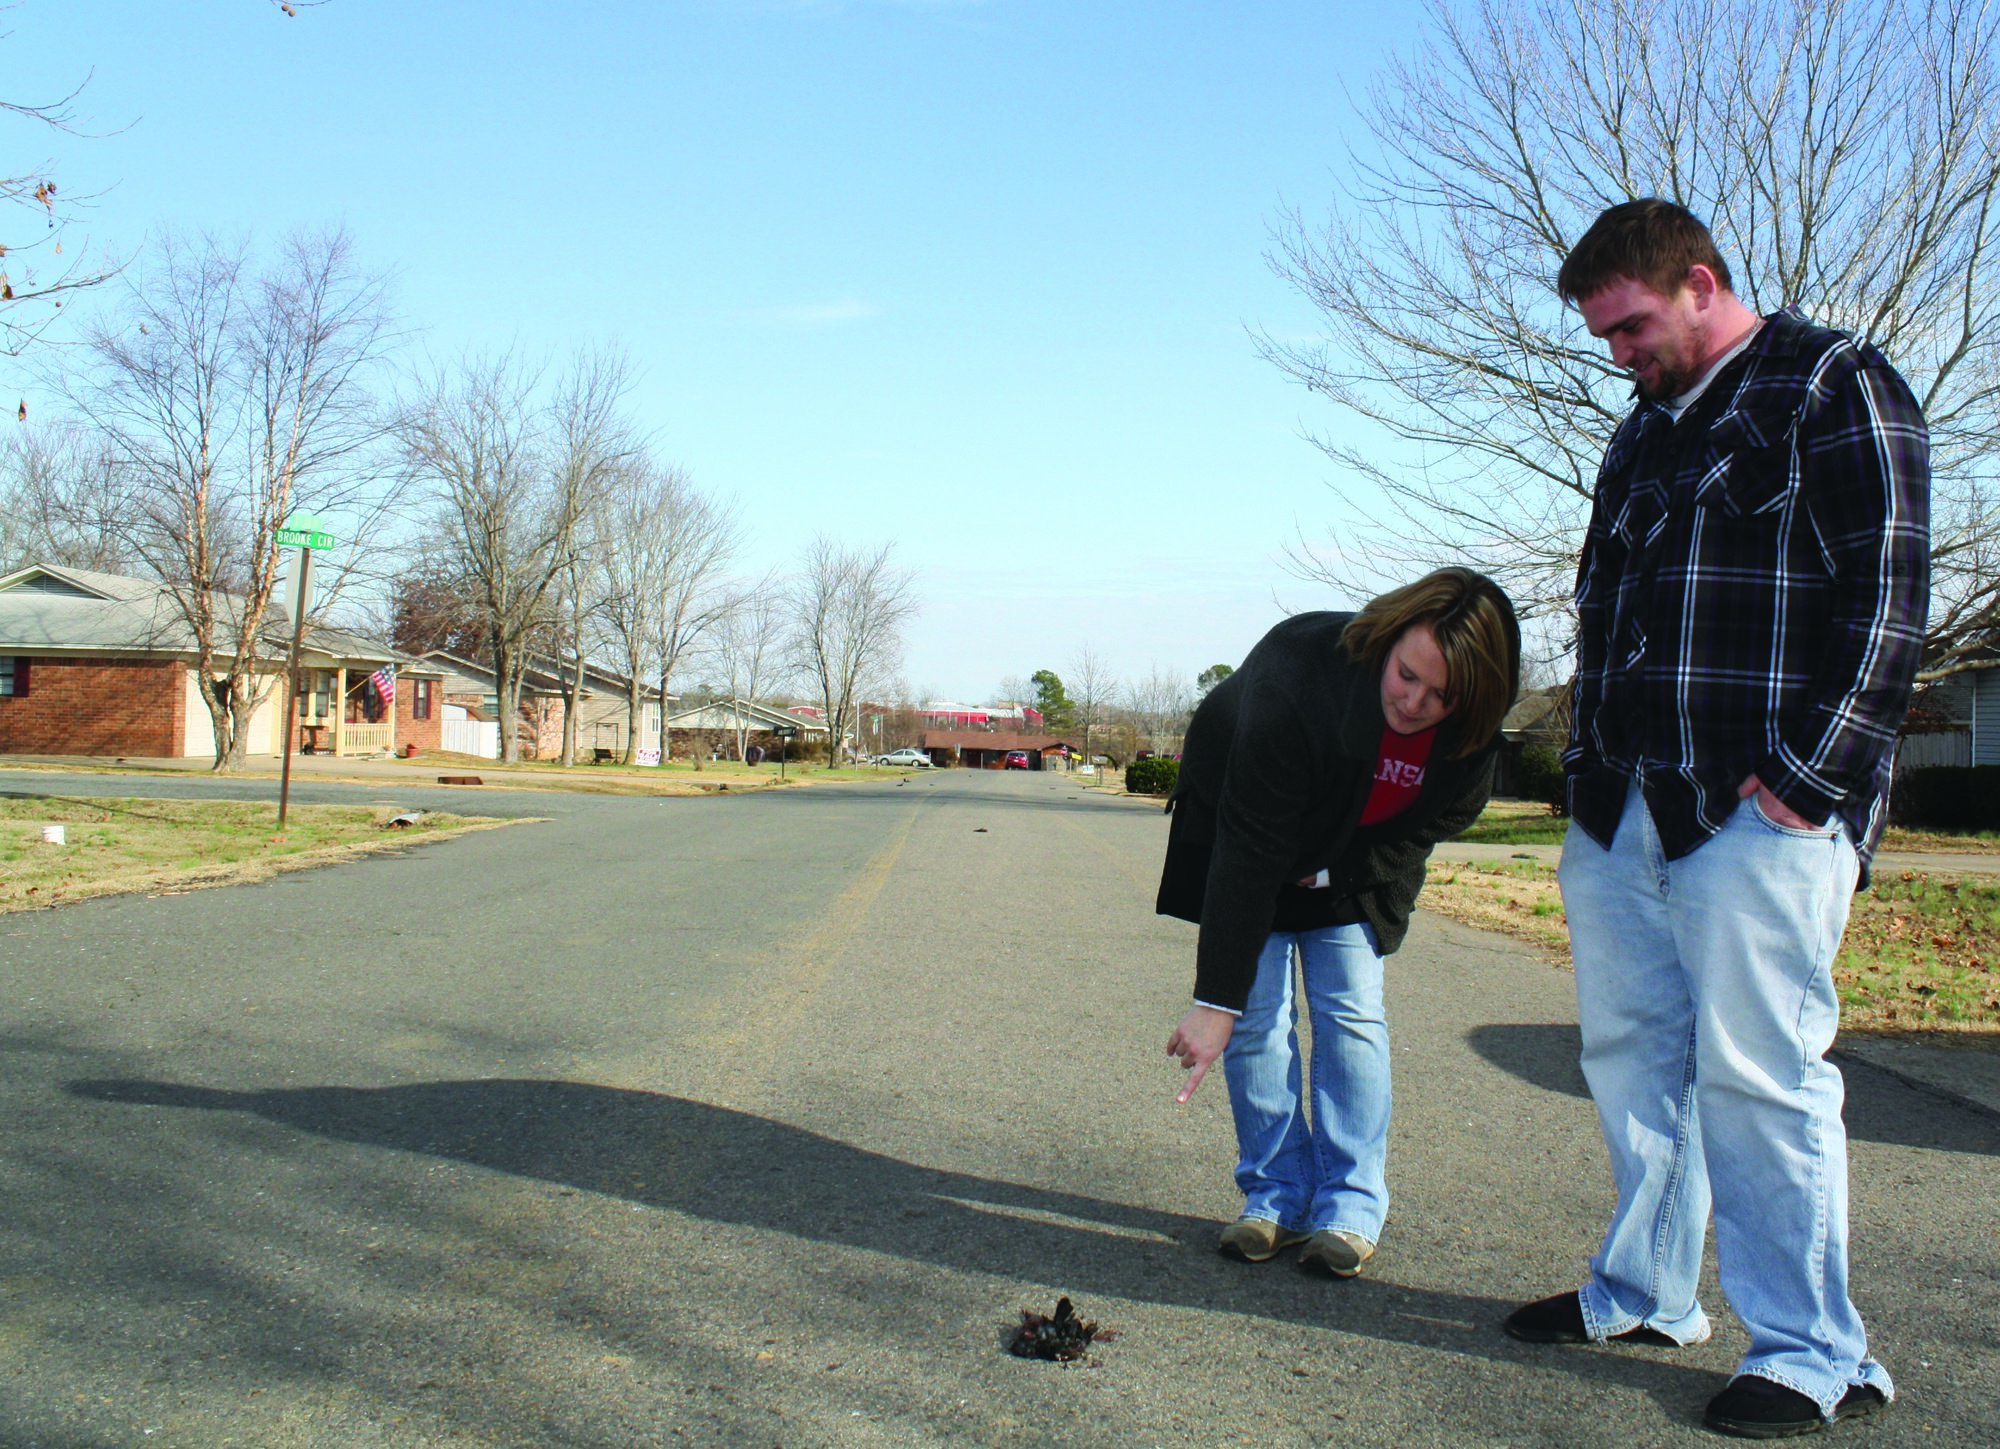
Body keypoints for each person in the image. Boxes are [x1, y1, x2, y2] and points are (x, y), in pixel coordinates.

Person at [1505, 200, 1928, 1440]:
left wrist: (1811, 778)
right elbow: (1605, 608)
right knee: (1633, 1060)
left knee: (1760, 1078)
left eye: (1629, 325)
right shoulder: (1640, 432)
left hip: (1759, 812)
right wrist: (1580, 771)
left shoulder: (1831, 386)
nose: (1616, 354)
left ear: (1698, 283)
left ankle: (1808, 1352)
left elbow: (1889, 601)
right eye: (1601, 336)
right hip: (1622, 803)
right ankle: (1642, 1293)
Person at [1157, 569, 1520, 1278]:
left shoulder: (1470, 739)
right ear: (1388, 640)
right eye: (1407, 675)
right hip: (1246, 830)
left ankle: (1350, 1206)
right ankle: (1277, 1196)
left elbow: (1438, 820)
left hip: (1350, 866)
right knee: (1255, 1013)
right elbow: (1252, 842)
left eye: (1440, 694)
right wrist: (1215, 1001)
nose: (1414, 702)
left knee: (1350, 1009)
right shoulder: (1302, 669)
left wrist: (1331, 869)